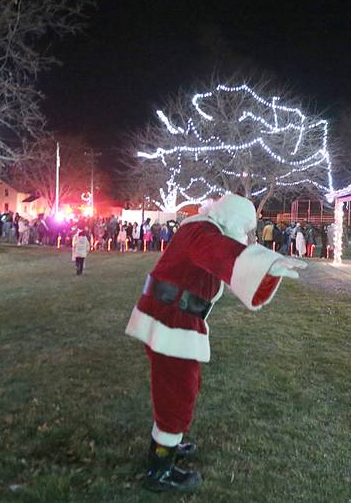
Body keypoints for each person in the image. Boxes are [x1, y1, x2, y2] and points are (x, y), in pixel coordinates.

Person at [125, 194, 306, 493]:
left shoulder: (200, 228)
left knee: (183, 385)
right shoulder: (203, 232)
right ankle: (159, 470)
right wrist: (268, 264)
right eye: (245, 227)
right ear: (232, 220)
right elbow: (221, 253)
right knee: (177, 392)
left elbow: (223, 257)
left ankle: (169, 441)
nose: (246, 234)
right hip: (172, 321)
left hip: (173, 318)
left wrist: (264, 266)